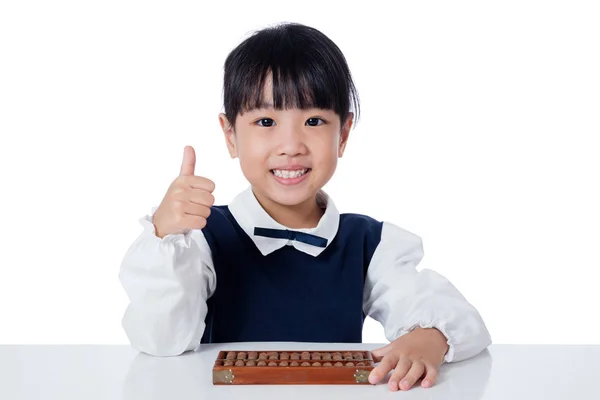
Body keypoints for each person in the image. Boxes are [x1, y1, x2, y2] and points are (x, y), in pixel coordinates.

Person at [118, 22, 491, 391]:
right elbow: (160, 341)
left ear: (342, 135)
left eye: (314, 121)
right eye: (266, 121)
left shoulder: (369, 243)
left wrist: (430, 337)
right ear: (230, 135)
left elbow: (453, 314)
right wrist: (165, 234)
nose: (291, 145)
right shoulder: (201, 238)